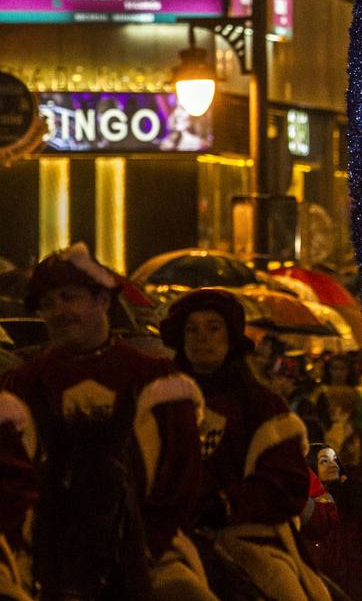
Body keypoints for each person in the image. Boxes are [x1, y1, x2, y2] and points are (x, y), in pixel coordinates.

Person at [0, 243, 211, 598]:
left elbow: (179, 477)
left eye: (69, 297)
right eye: (48, 304)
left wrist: (142, 544)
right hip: (36, 550)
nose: (58, 311)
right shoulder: (21, 385)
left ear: (103, 301)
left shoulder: (156, 379)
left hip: (149, 547)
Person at [158, 288, 331, 600]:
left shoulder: (263, 407)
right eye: (192, 329)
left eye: (213, 328)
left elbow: (287, 481)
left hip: (249, 538)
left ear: (230, 338)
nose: (202, 338)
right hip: (171, 538)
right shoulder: (162, 403)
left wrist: (227, 504)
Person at [303, 443, 362, 601]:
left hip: (354, 580)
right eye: (324, 461)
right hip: (322, 584)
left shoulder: (350, 497)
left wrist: (351, 486)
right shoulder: (307, 505)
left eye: (334, 460)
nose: (332, 464)